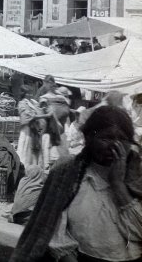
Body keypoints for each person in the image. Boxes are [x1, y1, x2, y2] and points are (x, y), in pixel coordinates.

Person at [10, 106, 142, 262]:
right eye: (106, 138)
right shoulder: (68, 173)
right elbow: (53, 231)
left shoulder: (138, 176)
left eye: (122, 139)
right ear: (88, 138)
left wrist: (118, 185)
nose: (114, 146)